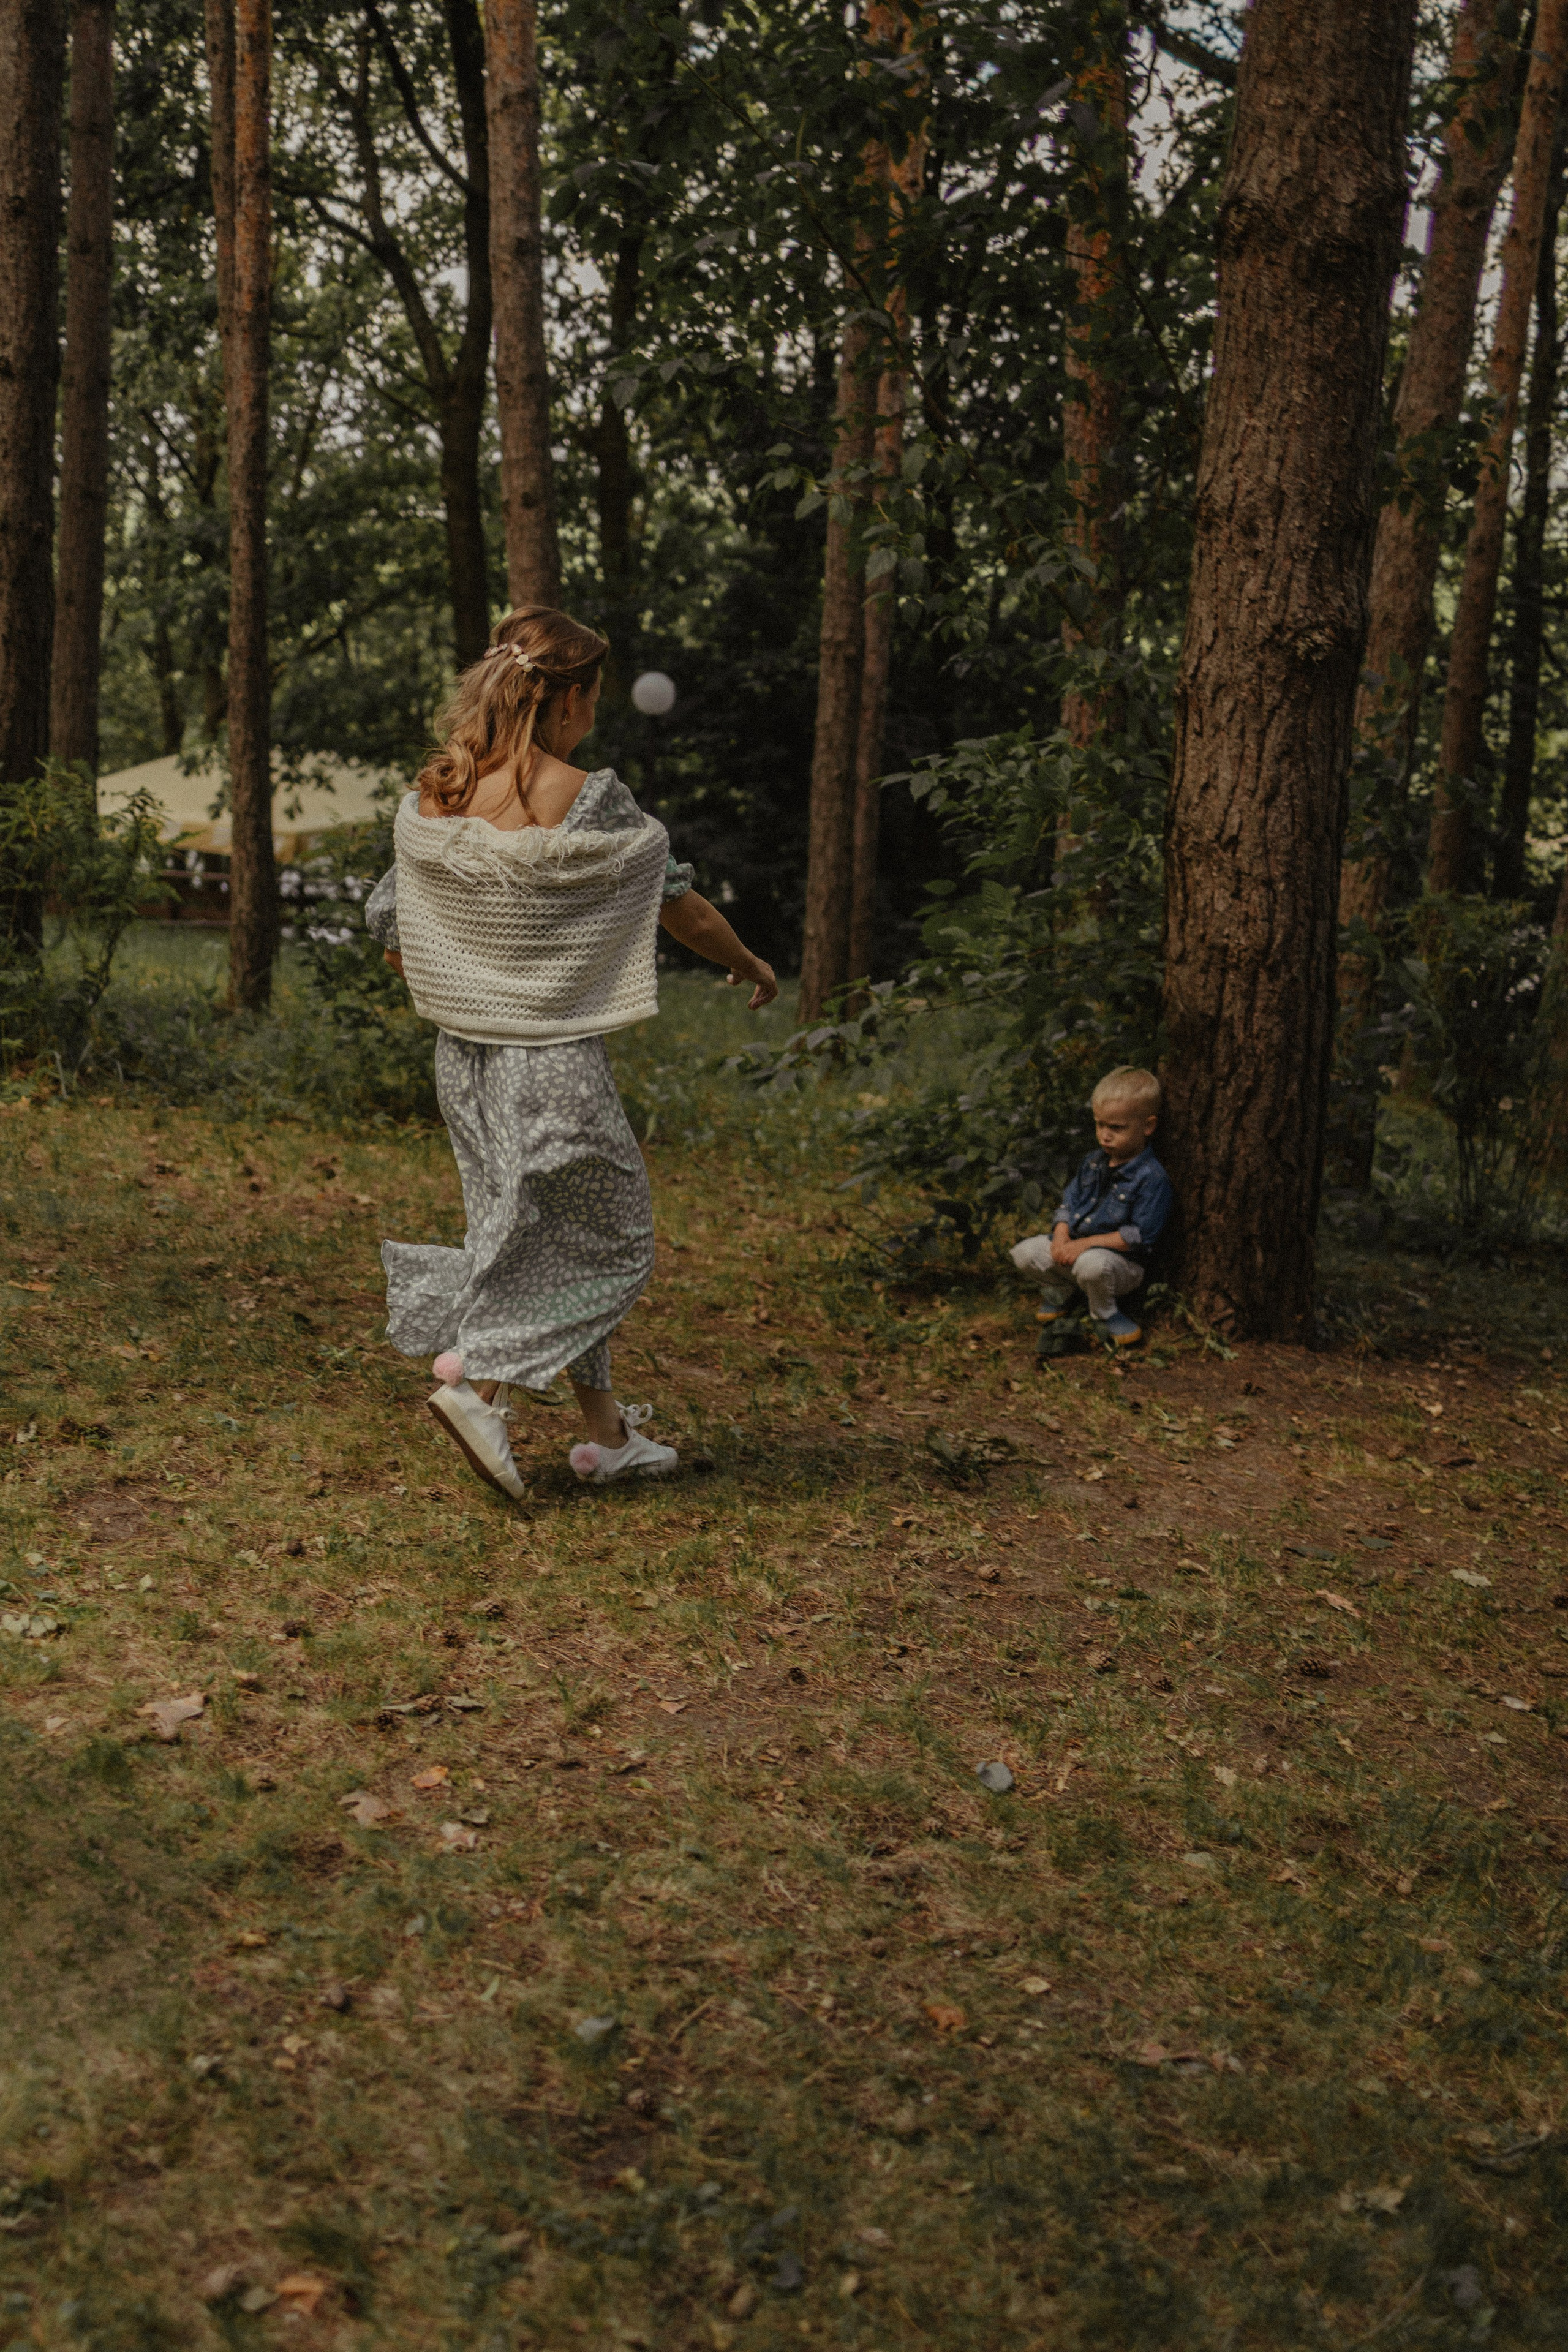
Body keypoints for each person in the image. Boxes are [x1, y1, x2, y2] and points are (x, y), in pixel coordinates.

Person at [365, 605, 777, 1498]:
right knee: (616, 1240)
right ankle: (479, 1391)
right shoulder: (587, 796)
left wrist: (477, 965)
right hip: (547, 1065)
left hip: (463, 1061)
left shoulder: (437, 791)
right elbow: (677, 904)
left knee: (531, 1236)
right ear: (568, 700)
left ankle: (607, 1433)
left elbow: (393, 926)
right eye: (592, 696)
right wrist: (746, 959)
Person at [1009, 1066, 1172, 1348]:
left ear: (1148, 1126)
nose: (1105, 1136)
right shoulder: (1093, 1163)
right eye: (1100, 1125)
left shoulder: (1151, 1177)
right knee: (1025, 1252)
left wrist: (1082, 1246)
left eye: (1116, 1128)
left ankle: (1105, 1313)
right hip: (1077, 1253)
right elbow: (1068, 1203)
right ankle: (1064, 1292)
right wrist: (1061, 1236)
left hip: (1119, 1265)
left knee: (1091, 1265)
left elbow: (1139, 1237)